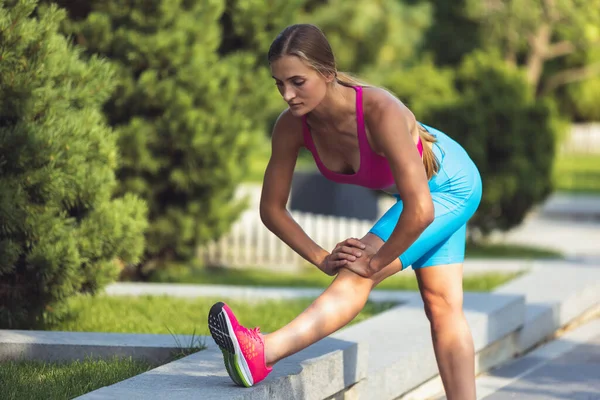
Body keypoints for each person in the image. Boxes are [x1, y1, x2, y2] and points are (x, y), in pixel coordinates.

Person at [207, 23, 482, 400]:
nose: (287, 94)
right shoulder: (291, 127)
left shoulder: (380, 111)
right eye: (279, 83)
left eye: (297, 82)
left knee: (358, 272)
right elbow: (271, 209)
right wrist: (321, 257)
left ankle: (261, 351)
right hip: (419, 197)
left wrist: (376, 261)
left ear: (327, 73)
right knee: (442, 306)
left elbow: (420, 210)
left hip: (450, 186)